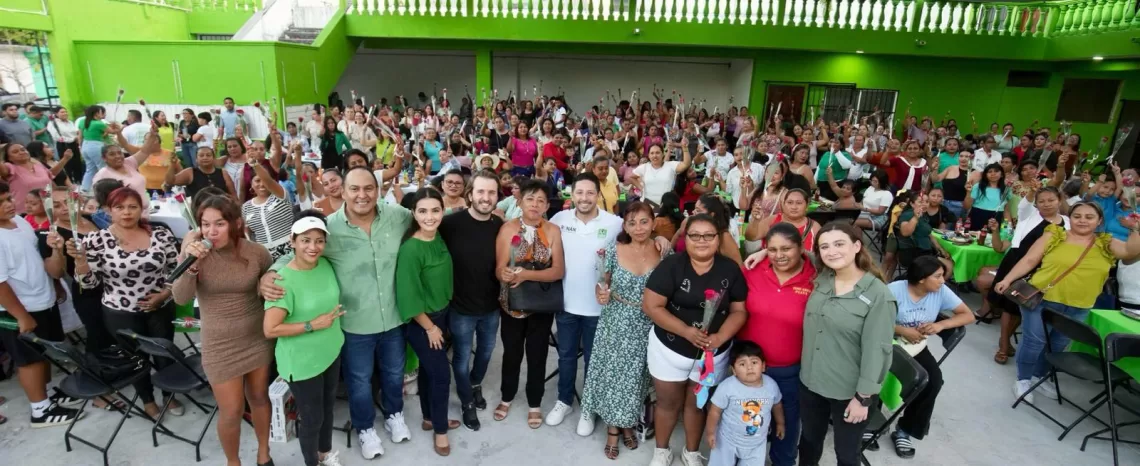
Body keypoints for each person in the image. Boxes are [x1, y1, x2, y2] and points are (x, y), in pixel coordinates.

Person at [259, 167, 413, 460]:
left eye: (368, 188)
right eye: (354, 189)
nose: (362, 195)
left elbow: (424, 221)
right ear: (342, 191)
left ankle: (395, 414)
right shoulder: (328, 228)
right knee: (359, 381)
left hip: (393, 317)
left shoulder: (397, 216)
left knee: (394, 374)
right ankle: (365, 429)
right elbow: (298, 252)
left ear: (377, 190)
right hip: (354, 322)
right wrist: (269, 275)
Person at [996, 202, 1140, 403]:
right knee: (1034, 341)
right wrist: (1007, 279)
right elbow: (1030, 260)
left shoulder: (1106, 242)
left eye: (1089, 217)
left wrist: (1135, 228)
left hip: (1079, 305)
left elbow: (1130, 252)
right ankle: (1023, 379)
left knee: (1058, 344)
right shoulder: (1055, 235)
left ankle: (1039, 376)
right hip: (1041, 299)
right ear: (1069, 218)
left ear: (1099, 221)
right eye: (1077, 216)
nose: (1082, 220)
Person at [172, 195, 275, 466]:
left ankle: (264, 454)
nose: (211, 231)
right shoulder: (195, 255)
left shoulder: (256, 252)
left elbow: (271, 282)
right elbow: (181, 298)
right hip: (219, 345)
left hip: (256, 338)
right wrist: (191, 266)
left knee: (259, 398)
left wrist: (268, 279)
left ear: (235, 223)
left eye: (219, 223)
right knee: (231, 411)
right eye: (205, 224)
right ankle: (233, 462)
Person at [644, 213, 748, 466]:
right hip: (669, 349)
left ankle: (691, 452)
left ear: (718, 238)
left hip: (712, 353)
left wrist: (720, 337)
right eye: (695, 235)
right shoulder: (671, 266)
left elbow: (739, 311)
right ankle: (662, 450)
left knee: (696, 403)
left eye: (708, 235)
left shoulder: (729, 269)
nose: (702, 241)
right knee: (668, 403)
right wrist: (686, 331)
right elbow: (652, 306)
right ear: (686, 237)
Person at [73, 187, 181, 418]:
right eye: (119, 207)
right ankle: (148, 399)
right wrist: (81, 262)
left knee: (164, 353)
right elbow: (89, 284)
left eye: (132, 207)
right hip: (120, 311)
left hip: (160, 306)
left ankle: (170, 394)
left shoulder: (160, 233)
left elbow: (176, 269)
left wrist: (164, 294)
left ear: (141, 209)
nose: (126, 213)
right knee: (135, 359)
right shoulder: (96, 240)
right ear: (108, 210)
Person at [799, 222, 895, 466]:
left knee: (846, 454)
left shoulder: (878, 295)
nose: (832, 252)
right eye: (824, 247)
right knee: (809, 443)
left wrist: (863, 398)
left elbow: (878, 351)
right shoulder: (823, 277)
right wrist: (761, 251)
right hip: (811, 381)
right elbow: (793, 250)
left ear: (856, 246)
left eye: (839, 244)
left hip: (849, 392)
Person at [578, 201, 666, 459]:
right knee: (615, 376)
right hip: (616, 321)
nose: (638, 228)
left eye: (644, 222)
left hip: (648, 323)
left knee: (638, 377)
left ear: (653, 222)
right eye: (631, 222)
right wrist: (600, 294)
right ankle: (613, 429)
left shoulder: (662, 250)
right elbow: (601, 283)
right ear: (624, 225)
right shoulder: (613, 250)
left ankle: (628, 423)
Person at [263, 212, 346, 466]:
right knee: (312, 419)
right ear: (293, 241)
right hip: (301, 361)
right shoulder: (282, 281)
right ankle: (312, 463)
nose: (313, 247)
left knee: (327, 409)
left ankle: (324, 454)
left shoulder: (326, 264)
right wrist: (312, 325)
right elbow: (270, 329)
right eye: (306, 240)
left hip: (331, 350)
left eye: (319, 240)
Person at [546, 173, 623, 431]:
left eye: (590, 193)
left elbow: (638, 241)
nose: (584, 198)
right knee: (566, 357)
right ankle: (564, 400)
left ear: (599, 194)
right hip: (566, 305)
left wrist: (660, 238)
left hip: (598, 308)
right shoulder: (559, 219)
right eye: (579, 192)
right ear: (572, 193)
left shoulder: (615, 223)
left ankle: (589, 408)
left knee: (593, 359)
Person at [0, 193, 83, 429]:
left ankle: (46, 394)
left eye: (7, 198)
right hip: (20, 309)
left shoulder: (21, 221)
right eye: (0, 202)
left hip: (42, 299)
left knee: (44, 352)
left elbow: (37, 260)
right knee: (29, 360)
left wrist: (55, 281)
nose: (8, 205)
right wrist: (21, 315)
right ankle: (40, 410)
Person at [736, 223, 815, 465]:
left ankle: (783, 460)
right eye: (772, 249)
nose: (779, 255)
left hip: (790, 369)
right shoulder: (753, 268)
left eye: (786, 249)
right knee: (747, 418)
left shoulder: (817, 275)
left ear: (801, 248)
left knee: (789, 422)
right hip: (748, 367)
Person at [886, 257, 975, 458]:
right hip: (886, 341)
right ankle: (869, 424)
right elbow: (872, 319)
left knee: (932, 381)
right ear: (921, 279)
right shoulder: (894, 290)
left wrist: (940, 325)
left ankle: (906, 429)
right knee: (875, 372)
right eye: (938, 276)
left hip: (915, 346)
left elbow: (968, 315)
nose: (943, 281)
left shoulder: (940, 291)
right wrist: (902, 330)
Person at [493, 179, 563, 429]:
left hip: (541, 304)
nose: (535, 204)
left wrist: (525, 274)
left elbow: (557, 271)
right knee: (511, 353)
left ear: (546, 206)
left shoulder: (553, 231)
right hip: (512, 302)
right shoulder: (508, 229)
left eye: (541, 200)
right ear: (520, 201)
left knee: (538, 354)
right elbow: (500, 268)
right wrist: (507, 274)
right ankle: (507, 397)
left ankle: (535, 402)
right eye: (530, 198)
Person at [395, 188, 458, 456]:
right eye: (422, 211)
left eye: (435, 210)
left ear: (443, 212)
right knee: (442, 374)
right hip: (423, 322)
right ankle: (440, 431)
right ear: (413, 213)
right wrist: (430, 327)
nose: (429, 216)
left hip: (441, 315)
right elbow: (407, 296)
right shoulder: (411, 249)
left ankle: (430, 417)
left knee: (430, 372)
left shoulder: (438, 237)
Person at [439, 171, 504, 431]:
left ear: (498, 197)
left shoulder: (500, 226)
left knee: (486, 352)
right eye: (480, 191)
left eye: (491, 192)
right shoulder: (450, 223)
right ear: (470, 194)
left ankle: (474, 384)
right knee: (462, 355)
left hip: (491, 307)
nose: (485, 197)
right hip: (461, 308)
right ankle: (466, 400)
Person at [705, 341, 785, 466]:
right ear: (734, 370)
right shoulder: (727, 387)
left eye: (754, 362)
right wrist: (710, 432)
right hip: (727, 440)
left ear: (763, 366)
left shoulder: (771, 386)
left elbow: (777, 405)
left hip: (756, 443)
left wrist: (780, 423)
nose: (749, 367)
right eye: (742, 364)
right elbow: (715, 411)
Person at [241, 151, 296, 260]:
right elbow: (247, 232)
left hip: (290, 249)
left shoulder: (280, 195)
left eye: (264, 180)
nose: (262, 184)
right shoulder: (246, 207)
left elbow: (268, 181)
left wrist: (255, 164)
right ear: (251, 184)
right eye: (257, 180)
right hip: (265, 255)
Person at [745, 188, 819, 251]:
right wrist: (755, 221)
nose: (794, 207)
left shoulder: (814, 227)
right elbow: (751, 237)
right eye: (790, 202)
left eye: (799, 203)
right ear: (783, 205)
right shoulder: (773, 220)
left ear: (806, 206)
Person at [629, 139, 693, 205]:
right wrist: (641, 187)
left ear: (662, 154)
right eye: (652, 153)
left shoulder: (670, 165)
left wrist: (685, 148)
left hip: (665, 205)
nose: (655, 155)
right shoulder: (644, 167)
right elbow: (631, 177)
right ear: (648, 155)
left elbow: (686, 164)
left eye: (657, 153)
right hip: (647, 205)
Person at [0, 143, 53, 215]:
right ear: (9, 158)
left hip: (48, 210)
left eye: (23, 149)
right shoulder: (10, 167)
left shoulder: (38, 165)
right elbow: (2, 170)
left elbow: (51, 183)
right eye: (15, 152)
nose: (21, 152)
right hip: (25, 213)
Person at [165, 147, 237, 199]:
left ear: (213, 158)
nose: (205, 158)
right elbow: (170, 181)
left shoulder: (223, 172)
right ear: (196, 159)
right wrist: (172, 165)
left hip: (222, 210)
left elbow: (233, 195)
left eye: (208, 155)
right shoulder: (190, 172)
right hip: (199, 212)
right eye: (201, 155)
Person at [963, 163, 1009, 229]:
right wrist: (968, 192)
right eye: (989, 172)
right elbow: (966, 206)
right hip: (977, 215)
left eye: (996, 171)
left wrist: (1009, 225)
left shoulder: (1006, 189)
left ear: (1002, 174)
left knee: (992, 238)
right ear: (985, 175)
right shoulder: (978, 186)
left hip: (996, 218)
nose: (993, 174)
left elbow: (1006, 210)